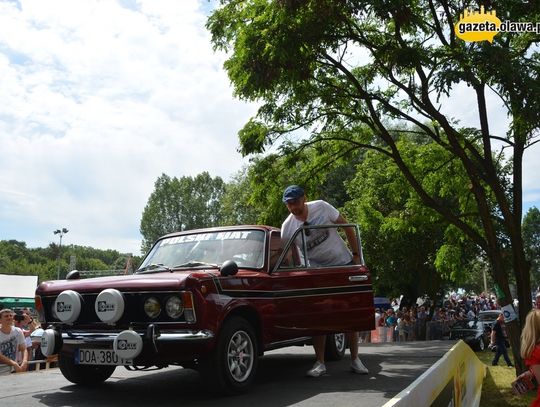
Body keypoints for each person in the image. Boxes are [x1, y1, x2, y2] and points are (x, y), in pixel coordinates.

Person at [280, 185, 368, 377]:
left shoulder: (321, 207)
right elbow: (288, 256)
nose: (293, 207)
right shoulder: (288, 227)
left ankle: (355, 359)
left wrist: (355, 257)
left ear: (304, 198)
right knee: (318, 316)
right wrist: (297, 274)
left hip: (342, 263)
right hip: (317, 271)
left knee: (349, 313)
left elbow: (347, 227)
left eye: (295, 202)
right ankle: (320, 362)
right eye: (289, 204)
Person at [0, 308, 28, 375]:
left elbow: (23, 349)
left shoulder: (18, 331)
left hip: (14, 370)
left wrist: (24, 361)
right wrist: (14, 363)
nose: (9, 317)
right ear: (0, 320)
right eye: (6, 316)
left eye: (10, 315)